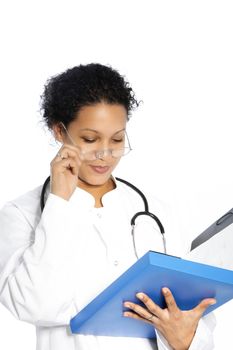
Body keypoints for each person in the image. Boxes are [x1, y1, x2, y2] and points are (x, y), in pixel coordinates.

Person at [0, 63, 216, 350]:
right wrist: (59, 204)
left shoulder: (157, 212)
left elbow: (194, 315)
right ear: (58, 131)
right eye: (90, 139)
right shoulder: (21, 215)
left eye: (117, 139)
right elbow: (34, 305)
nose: (105, 154)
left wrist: (185, 339)